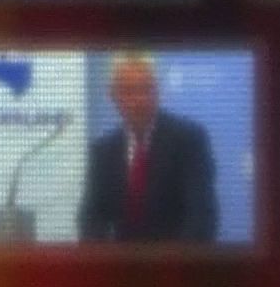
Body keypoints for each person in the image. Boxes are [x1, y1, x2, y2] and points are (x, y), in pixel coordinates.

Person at [78, 54, 218, 242]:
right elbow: (90, 217)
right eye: (129, 91)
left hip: (176, 257)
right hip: (120, 258)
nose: (139, 100)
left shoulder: (189, 140)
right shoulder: (102, 151)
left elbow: (202, 216)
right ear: (113, 97)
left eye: (146, 89)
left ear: (157, 94)